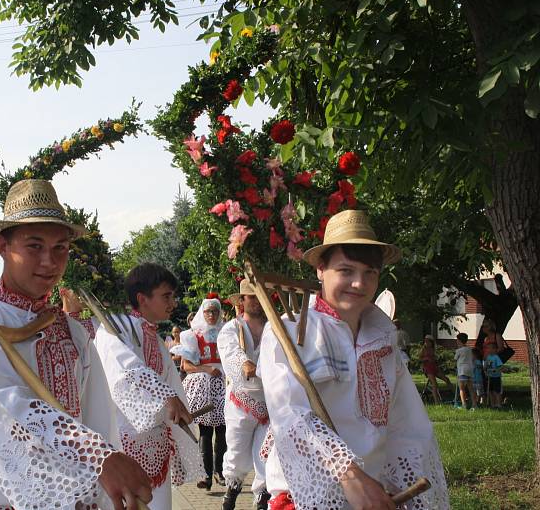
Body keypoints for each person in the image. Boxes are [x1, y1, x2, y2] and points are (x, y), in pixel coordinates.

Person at [0, 179, 151, 509]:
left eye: (60, 248)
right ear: (2, 246)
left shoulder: (72, 332)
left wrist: (105, 486)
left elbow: (96, 417)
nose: (50, 262)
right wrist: (99, 457)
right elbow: (4, 406)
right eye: (34, 246)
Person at [258, 209, 448, 509]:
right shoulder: (288, 331)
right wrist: (350, 476)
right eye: (346, 271)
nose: (359, 283)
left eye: (369, 273)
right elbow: (290, 415)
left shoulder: (382, 337)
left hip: (375, 495)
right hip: (311, 494)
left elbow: (406, 423)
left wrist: (409, 487)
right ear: (320, 269)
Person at [94, 262, 203, 510]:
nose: (173, 303)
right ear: (142, 299)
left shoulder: (149, 331)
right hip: (124, 443)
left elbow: (168, 380)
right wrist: (167, 397)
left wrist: (175, 405)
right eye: (166, 296)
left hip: (156, 443)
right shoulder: (116, 326)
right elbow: (124, 370)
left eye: (172, 296)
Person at [218, 279, 270, 510]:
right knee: (237, 453)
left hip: (269, 400)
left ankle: (261, 499)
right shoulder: (232, 328)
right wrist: (244, 363)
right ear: (242, 301)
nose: (256, 301)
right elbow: (231, 353)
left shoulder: (273, 326)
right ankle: (231, 493)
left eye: (260, 296)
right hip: (241, 401)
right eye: (251, 296)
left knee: (266, 455)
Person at [179, 297, 227, 491]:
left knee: (223, 431)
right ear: (202, 313)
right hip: (204, 388)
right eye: (208, 311)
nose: (211, 315)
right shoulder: (193, 335)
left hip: (224, 385)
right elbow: (186, 365)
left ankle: (220, 471)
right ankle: (206, 474)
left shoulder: (227, 333)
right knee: (206, 432)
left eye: (215, 311)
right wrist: (206, 369)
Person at [419, 335, 450, 404]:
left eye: (428, 341)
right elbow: (420, 358)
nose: (426, 343)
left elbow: (435, 359)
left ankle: (453, 395)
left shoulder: (433, 349)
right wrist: (426, 359)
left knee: (446, 379)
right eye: (425, 341)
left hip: (435, 367)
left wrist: (436, 359)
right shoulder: (423, 349)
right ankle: (436, 401)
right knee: (434, 384)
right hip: (428, 368)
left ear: (431, 342)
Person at [454, 333, 475, 410]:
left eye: (457, 340)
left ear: (459, 341)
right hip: (470, 370)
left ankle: (464, 405)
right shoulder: (470, 349)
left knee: (462, 389)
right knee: (471, 388)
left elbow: (455, 359)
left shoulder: (458, 350)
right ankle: (474, 405)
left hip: (462, 370)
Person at [484, 343, 504, 408]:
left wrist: (495, 369)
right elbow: (485, 366)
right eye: (488, 348)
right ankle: (492, 404)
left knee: (496, 391)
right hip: (490, 377)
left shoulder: (496, 357)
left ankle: (498, 403)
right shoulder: (488, 357)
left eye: (491, 348)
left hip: (496, 377)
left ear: (495, 349)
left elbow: (500, 367)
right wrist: (485, 369)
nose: (489, 350)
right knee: (490, 391)